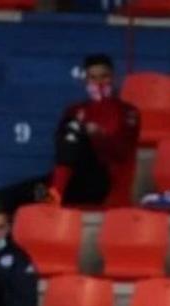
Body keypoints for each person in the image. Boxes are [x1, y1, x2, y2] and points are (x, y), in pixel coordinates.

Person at [47, 53, 141, 209]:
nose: (99, 82)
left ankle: (53, 198)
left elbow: (122, 152)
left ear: (113, 78)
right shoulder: (74, 110)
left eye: (104, 77)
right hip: (74, 181)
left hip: (102, 181)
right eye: (93, 78)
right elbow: (61, 149)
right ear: (86, 81)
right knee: (7, 197)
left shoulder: (128, 112)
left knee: (75, 131)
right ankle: (51, 197)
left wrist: (99, 135)